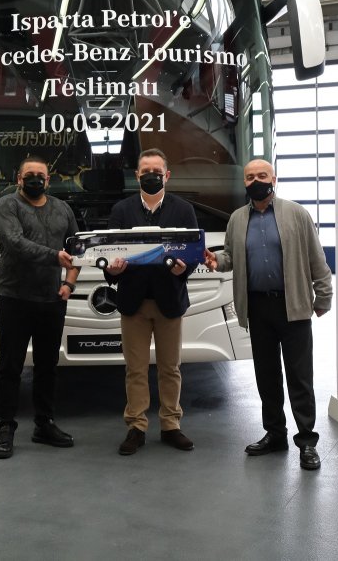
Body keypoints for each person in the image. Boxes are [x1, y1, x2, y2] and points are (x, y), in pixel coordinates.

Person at [203, 158, 332, 470]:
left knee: (300, 377)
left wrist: (323, 297)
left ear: (274, 179)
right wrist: (216, 261)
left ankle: (307, 442)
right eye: (250, 177)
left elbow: (316, 258)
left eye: (262, 175)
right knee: (267, 375)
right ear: (244, 183)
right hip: (257, 308)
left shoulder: (297, 214)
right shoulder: (237, 219)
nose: (256, 181)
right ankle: (275, 434)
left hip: (293, 306)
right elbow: (231, 256)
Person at [104, 148, 198, 455]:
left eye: (157, 172)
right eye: (146, 172)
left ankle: (171, 425)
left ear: (167, 175)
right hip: (133, 302)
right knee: (136, 369)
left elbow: (192, 252)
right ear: (137, 176)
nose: (151, 176)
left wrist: (185, 268)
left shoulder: (183, 210)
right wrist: (112, 270)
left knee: (171, 368)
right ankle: (137, 426)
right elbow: (110, 253)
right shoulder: (121, 210)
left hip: (169, 300)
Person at [0, 155, 80, 459]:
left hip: (52, 300)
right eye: (29, 174)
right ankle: (6, 428)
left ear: (48, 180)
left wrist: (69, 284)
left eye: (40, 175)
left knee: (47, 366)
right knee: (10, 366)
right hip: (15, 298)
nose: (35, 179)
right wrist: (55, 256)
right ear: (19, 178)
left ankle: (44, 424)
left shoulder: (62, 209)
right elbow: (15, 243)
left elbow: (77, 248)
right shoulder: (6, 206)